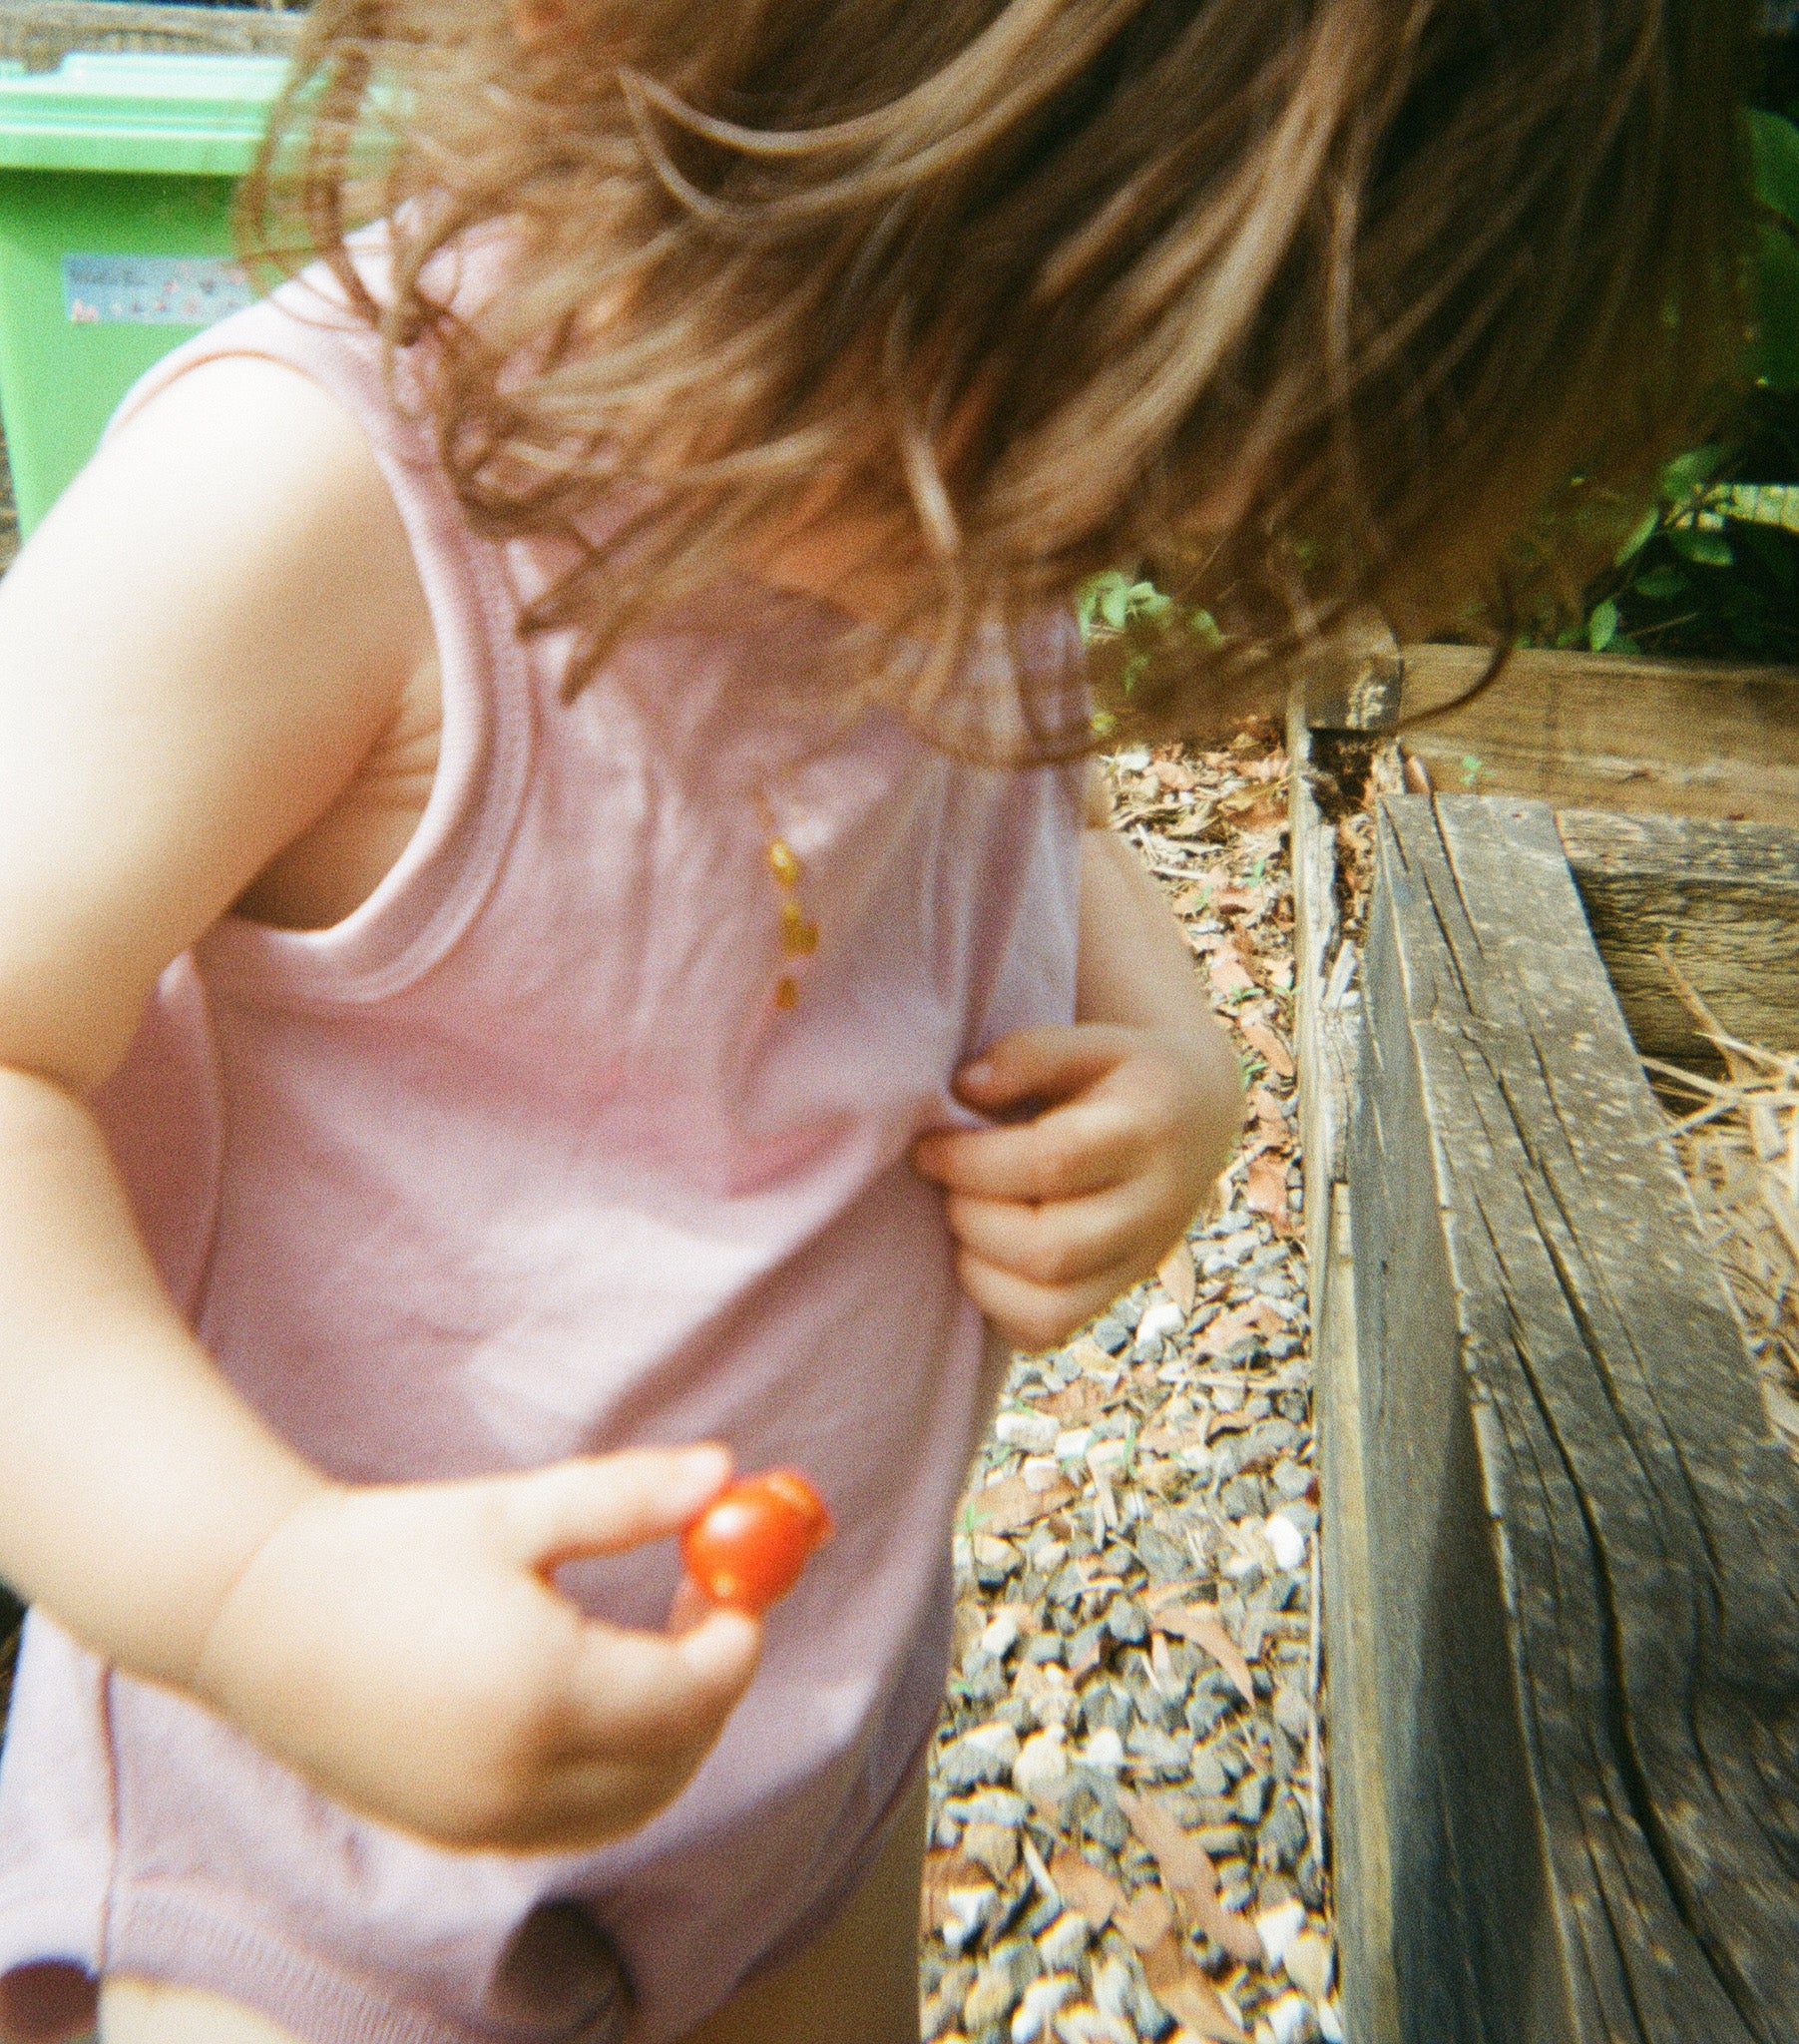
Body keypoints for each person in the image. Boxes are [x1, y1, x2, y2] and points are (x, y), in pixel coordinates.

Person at [0, 0, 1748, 2038]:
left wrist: (1174, 1057)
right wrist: (253, 1591)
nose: (1018, 585)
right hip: (316, 1825)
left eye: (1113, 531)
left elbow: (1027, 789)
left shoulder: (931, 482)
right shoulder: (317, 506)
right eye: (1030, 481)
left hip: (802, 1753)